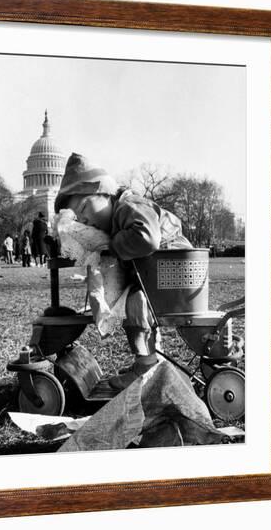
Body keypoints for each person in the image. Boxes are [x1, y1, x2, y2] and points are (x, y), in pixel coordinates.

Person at [54, 152, 191, 391]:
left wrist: (112, 246)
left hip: (174, 274)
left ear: (104, 191)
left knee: (134, 303)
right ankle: (146, 361)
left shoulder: (128, 205)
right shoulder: (119, 214)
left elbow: (147, 239)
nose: (86, 219)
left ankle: (146, 367)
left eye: (86, 206)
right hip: (163, 275)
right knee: (132, 301)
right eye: (81, 218)